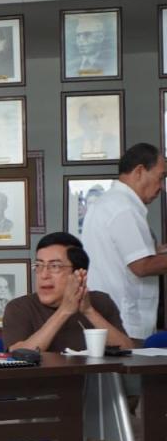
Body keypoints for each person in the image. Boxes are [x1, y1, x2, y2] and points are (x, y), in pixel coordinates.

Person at [2, 232, 167, 441]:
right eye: (39, 266)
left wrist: (88, 310)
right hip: (48, 419)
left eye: (55, 267)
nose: (44, 275)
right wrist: (64, 312)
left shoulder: (100, 303)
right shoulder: (20, 308)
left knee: (159, 440)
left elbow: (127, 350)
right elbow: (20, 354)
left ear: (79, 274)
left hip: (109, 408)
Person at [82, 143, 167, 343]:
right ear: (139, 171)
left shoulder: (108, 203)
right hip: (125, 324)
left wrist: (157, 252)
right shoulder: (124, 208)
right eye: (161, 177)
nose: (162, 187)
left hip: (111, 319)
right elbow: (142, 266)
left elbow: (120, 255)